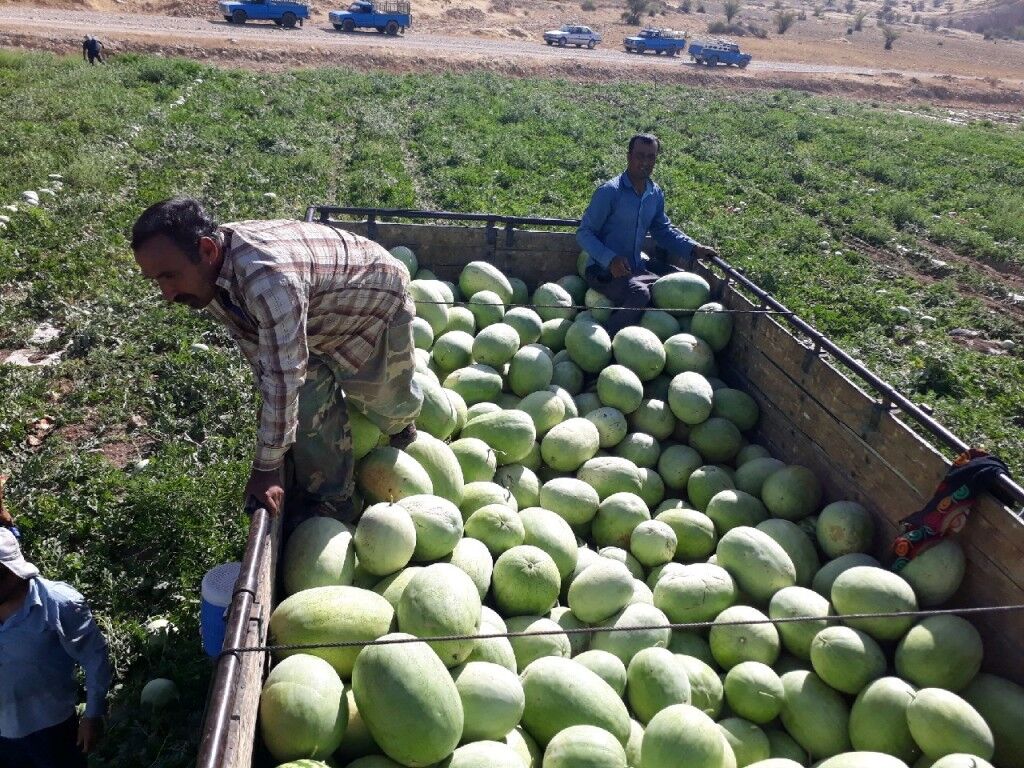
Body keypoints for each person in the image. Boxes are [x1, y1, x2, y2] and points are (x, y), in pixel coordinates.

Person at [130, 198, 423, 521]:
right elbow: (272, 364)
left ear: (208, 250)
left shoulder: (268, 280)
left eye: (170, 276)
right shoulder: (208, 275)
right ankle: (334, 499)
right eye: (156, 280)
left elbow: (282, 377)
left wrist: (266, 467)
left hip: (371, 302)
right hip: (310, 314)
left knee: (387, 399)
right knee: (305, 404)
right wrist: (275, 421)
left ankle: (402, 427)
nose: (166, 294)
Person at [576, 133, 718, 336]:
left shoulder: (655, 194)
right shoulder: (609, 192)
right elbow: (584, 233)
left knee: (676, 278)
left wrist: (694, 248)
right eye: (639, 155)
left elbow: (663, 231)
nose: (645, 162)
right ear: (628, 156)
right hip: (603, 272)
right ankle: (609, 337)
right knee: (640, 294)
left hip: (636, 267)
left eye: (650, 157)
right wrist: (610, 260)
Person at [0, 528, 111, 768]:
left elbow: (95, 658)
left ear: (11, 572)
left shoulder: (58, 603)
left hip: (49, 731)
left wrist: (92, 715)